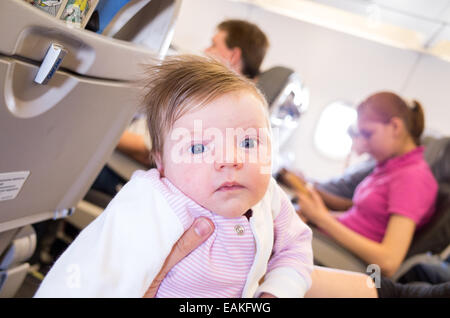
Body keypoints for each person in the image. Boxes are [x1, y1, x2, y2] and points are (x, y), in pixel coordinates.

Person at [35, 55, 313, 298]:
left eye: (249, 143)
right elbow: (85, 280)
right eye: (198, 147)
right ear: (161, 162)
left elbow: (295, 246)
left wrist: (276, 292)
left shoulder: (268, 197)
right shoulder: (154, 202)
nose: (230, 160)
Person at [91, 19, 269, 196]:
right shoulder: (243, 101)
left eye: (213, 45)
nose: (206, 51)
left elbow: (146, 150)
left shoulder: (217, 101)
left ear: (233, 56)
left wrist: (97, 131)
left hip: (120, 170)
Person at [294, 91, 439, 278]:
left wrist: (322, 219)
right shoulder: (389, 167)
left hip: (347, 260)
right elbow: (361, 219)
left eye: (368, 134)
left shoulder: (413, 177)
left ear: (395, 126)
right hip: (334, 242)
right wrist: (315, 216)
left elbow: (388, 261)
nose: (364, 143)